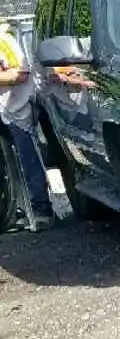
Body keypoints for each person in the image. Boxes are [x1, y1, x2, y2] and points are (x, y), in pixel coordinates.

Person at [0, 18, 56, 232]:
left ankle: (41, 209)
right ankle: (13, 213)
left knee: (28, 158)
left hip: (17, 108)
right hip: (4, 110)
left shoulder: (4, 40)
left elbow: (22, 73)